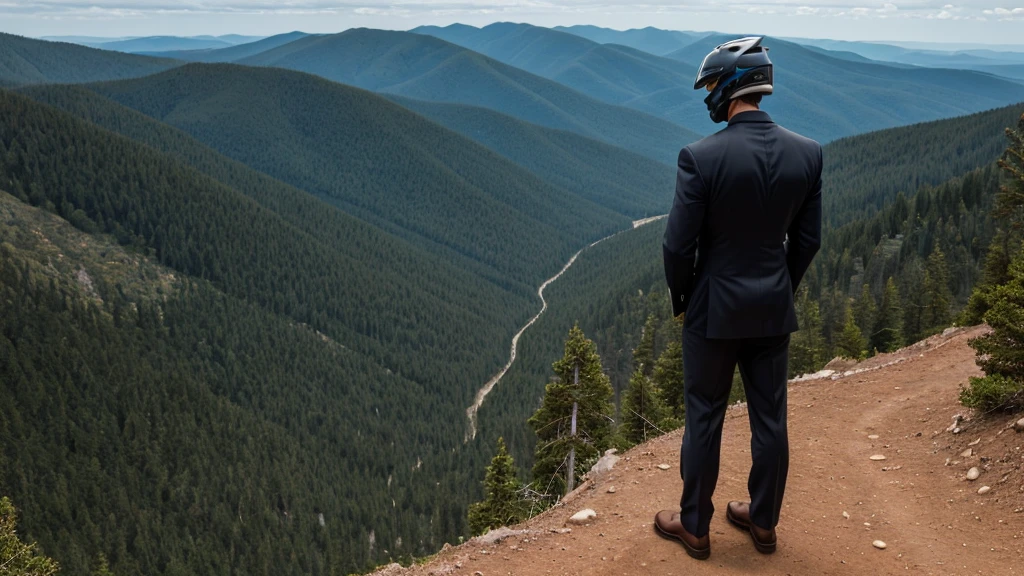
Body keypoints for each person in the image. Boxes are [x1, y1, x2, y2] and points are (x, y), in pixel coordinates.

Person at [654, 36, 822, 560]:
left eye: (710, 84)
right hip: (772, 308)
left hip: (713, 310)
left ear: (730, 85)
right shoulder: (808, 154)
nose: (708, 94)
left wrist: (683, 297)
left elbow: (678, 244)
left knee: (704, 413)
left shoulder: (699, 158)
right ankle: (763, 521)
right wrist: (780, 288)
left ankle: (695, 525)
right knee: (770, 417)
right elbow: (809, 241)